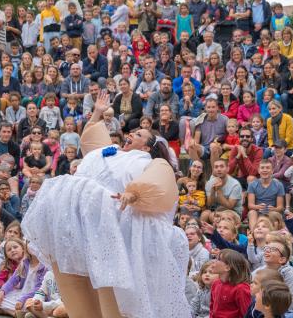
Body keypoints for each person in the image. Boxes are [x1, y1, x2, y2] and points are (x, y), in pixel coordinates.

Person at [22, 91, 189, 318]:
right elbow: (91, 137)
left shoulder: (147, 160)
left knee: (111, 290)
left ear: (148, 147)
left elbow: (160, 181)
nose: (130, 134)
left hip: (113, 227)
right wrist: (98, 113)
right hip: (78, 221)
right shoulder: (109, 151)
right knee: (72, 278)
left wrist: (133, 193)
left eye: (138, 134)